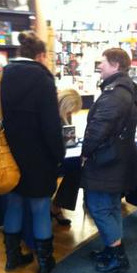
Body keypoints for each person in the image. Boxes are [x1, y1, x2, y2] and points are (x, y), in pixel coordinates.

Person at [0, 31, 64, 273]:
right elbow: (51, 126)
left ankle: (12, 258)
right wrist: (58, 154)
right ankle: (45, 262)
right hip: (38, 157)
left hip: (6, 156)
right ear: (41, 55)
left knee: (13, 204)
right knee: (39, 207)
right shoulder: (43, 80)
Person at [81, 48, 137, 273]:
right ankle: (112, 247)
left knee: (100, 207)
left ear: (115, 65)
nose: (99, 66)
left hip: (107, 161)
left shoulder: (115, 94)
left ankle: (117, 256)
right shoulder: (124, 90)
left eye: (103, 62)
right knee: (111, 206)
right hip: (118, 158)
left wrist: (85, 152)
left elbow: (98, 130)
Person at [51, 88, 82, 226]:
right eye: (69, 111)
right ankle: (55, 207)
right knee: (74, 169)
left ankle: (57, 206)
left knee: (76, 168)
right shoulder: (49, 113)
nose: (69, 114)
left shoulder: (63, 115)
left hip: (59, 155)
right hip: (47, 158)